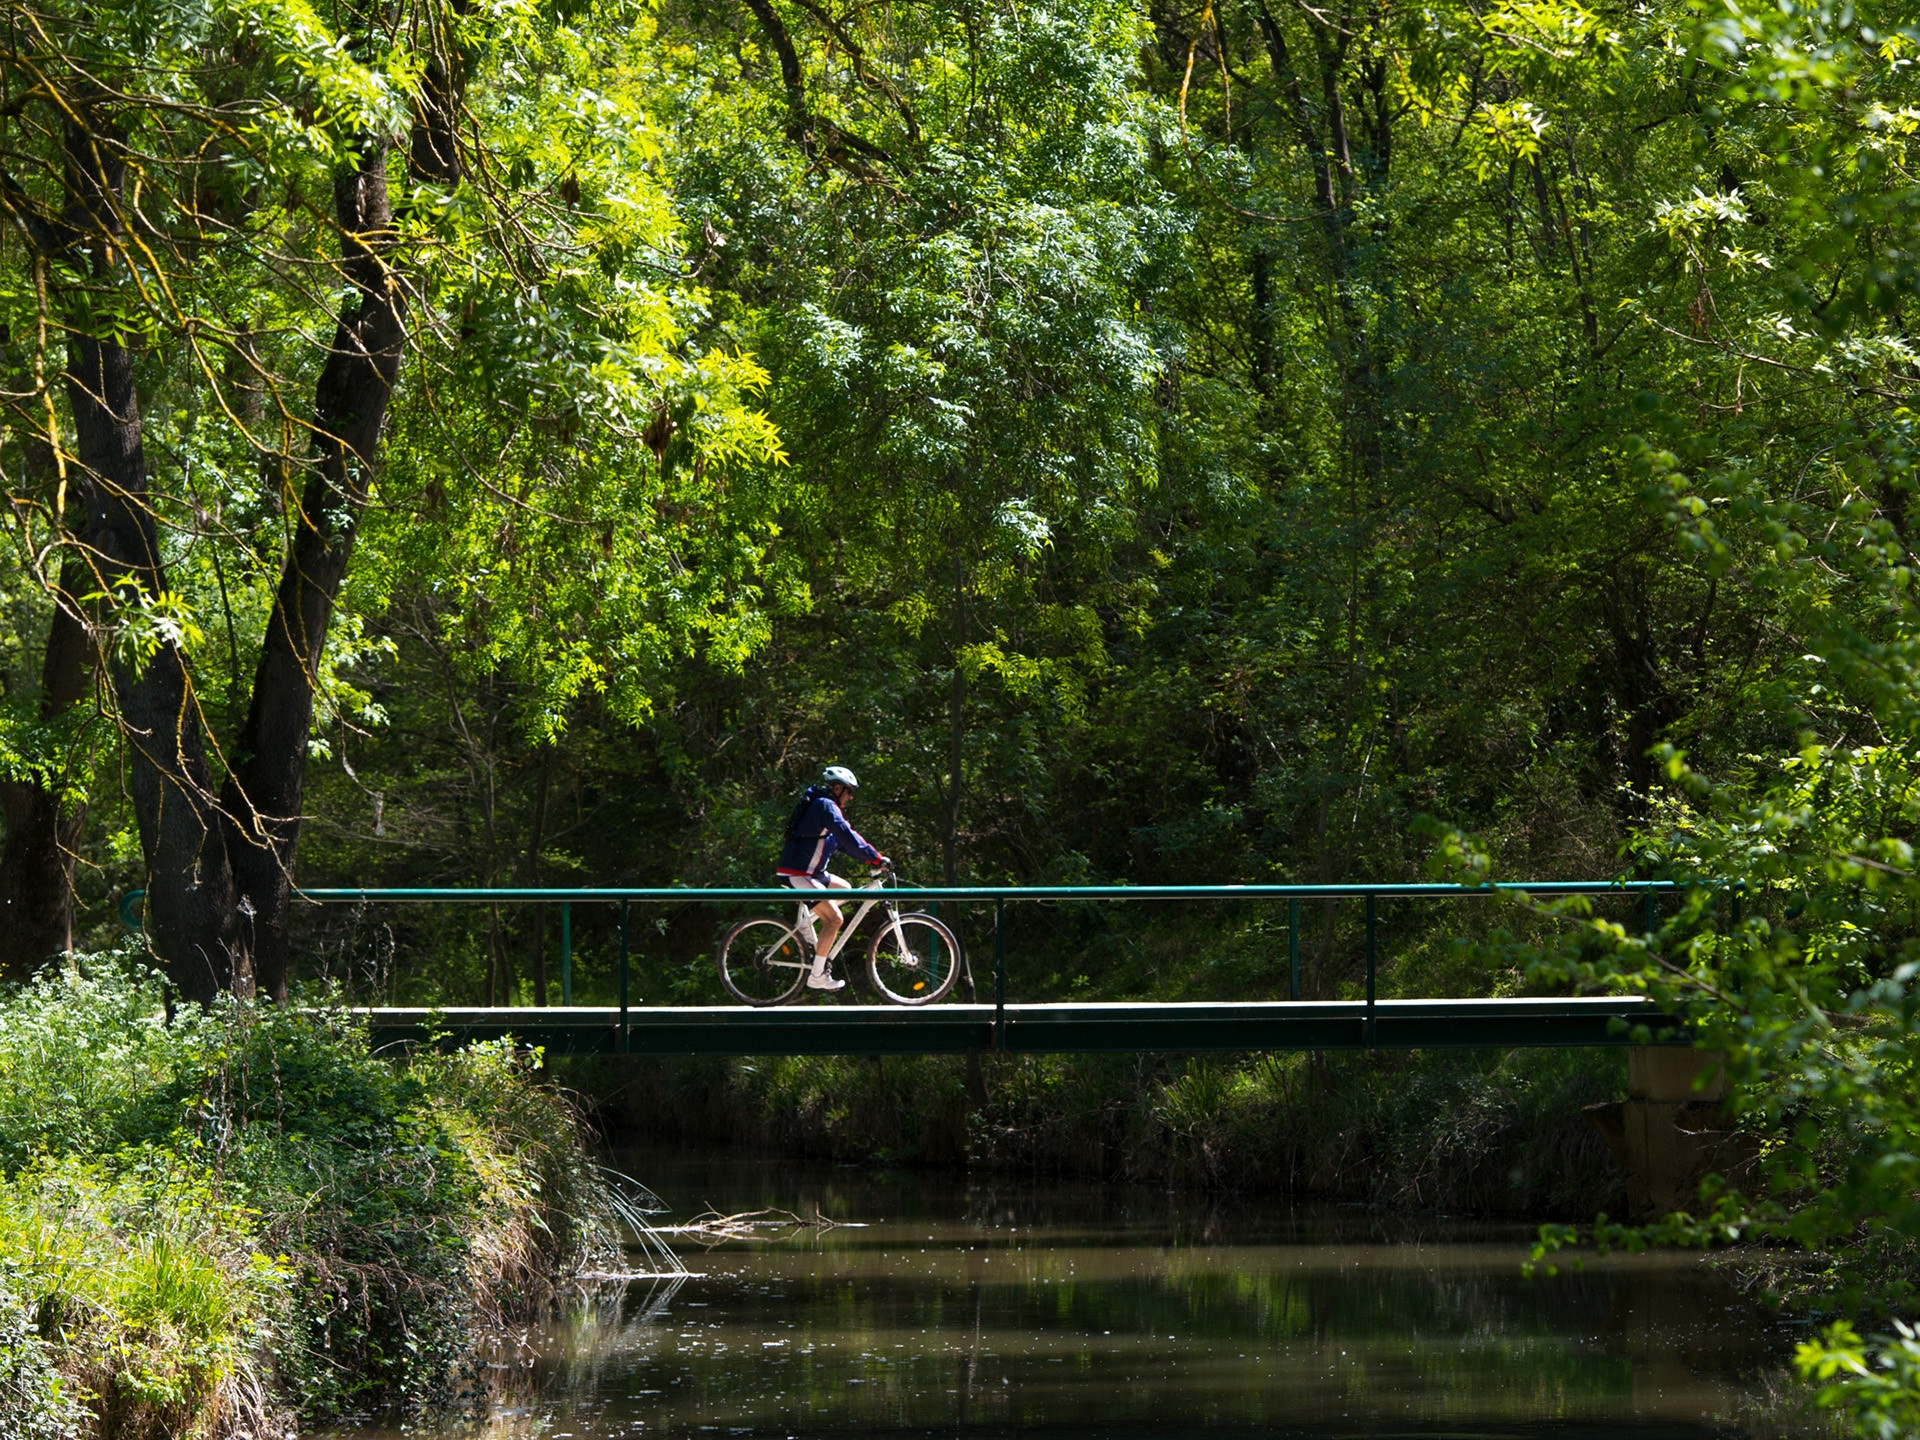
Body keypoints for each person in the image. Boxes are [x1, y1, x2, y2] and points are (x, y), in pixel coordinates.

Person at [777, 765, 888, 991]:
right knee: (835, 920)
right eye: (849, 791)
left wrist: (870, 858)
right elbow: (846, 835)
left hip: (812, 873)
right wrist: (876, 858)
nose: (851, 797)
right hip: (799, 873)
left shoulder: (823, 806)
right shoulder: (826, 806)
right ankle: (817, 975)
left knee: (845, 889)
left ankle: (806, 921)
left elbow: (842, 843)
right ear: (837, 789)